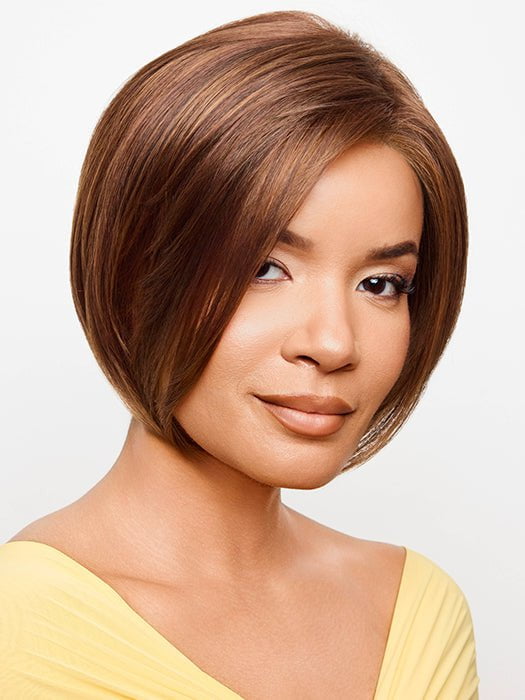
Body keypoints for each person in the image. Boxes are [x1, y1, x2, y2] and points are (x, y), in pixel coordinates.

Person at [0, 9, 479, 699]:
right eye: (264, 268)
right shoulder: (20, 633)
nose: (333, 343)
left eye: (380, 284)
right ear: (135, 275)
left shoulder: (417, 610)